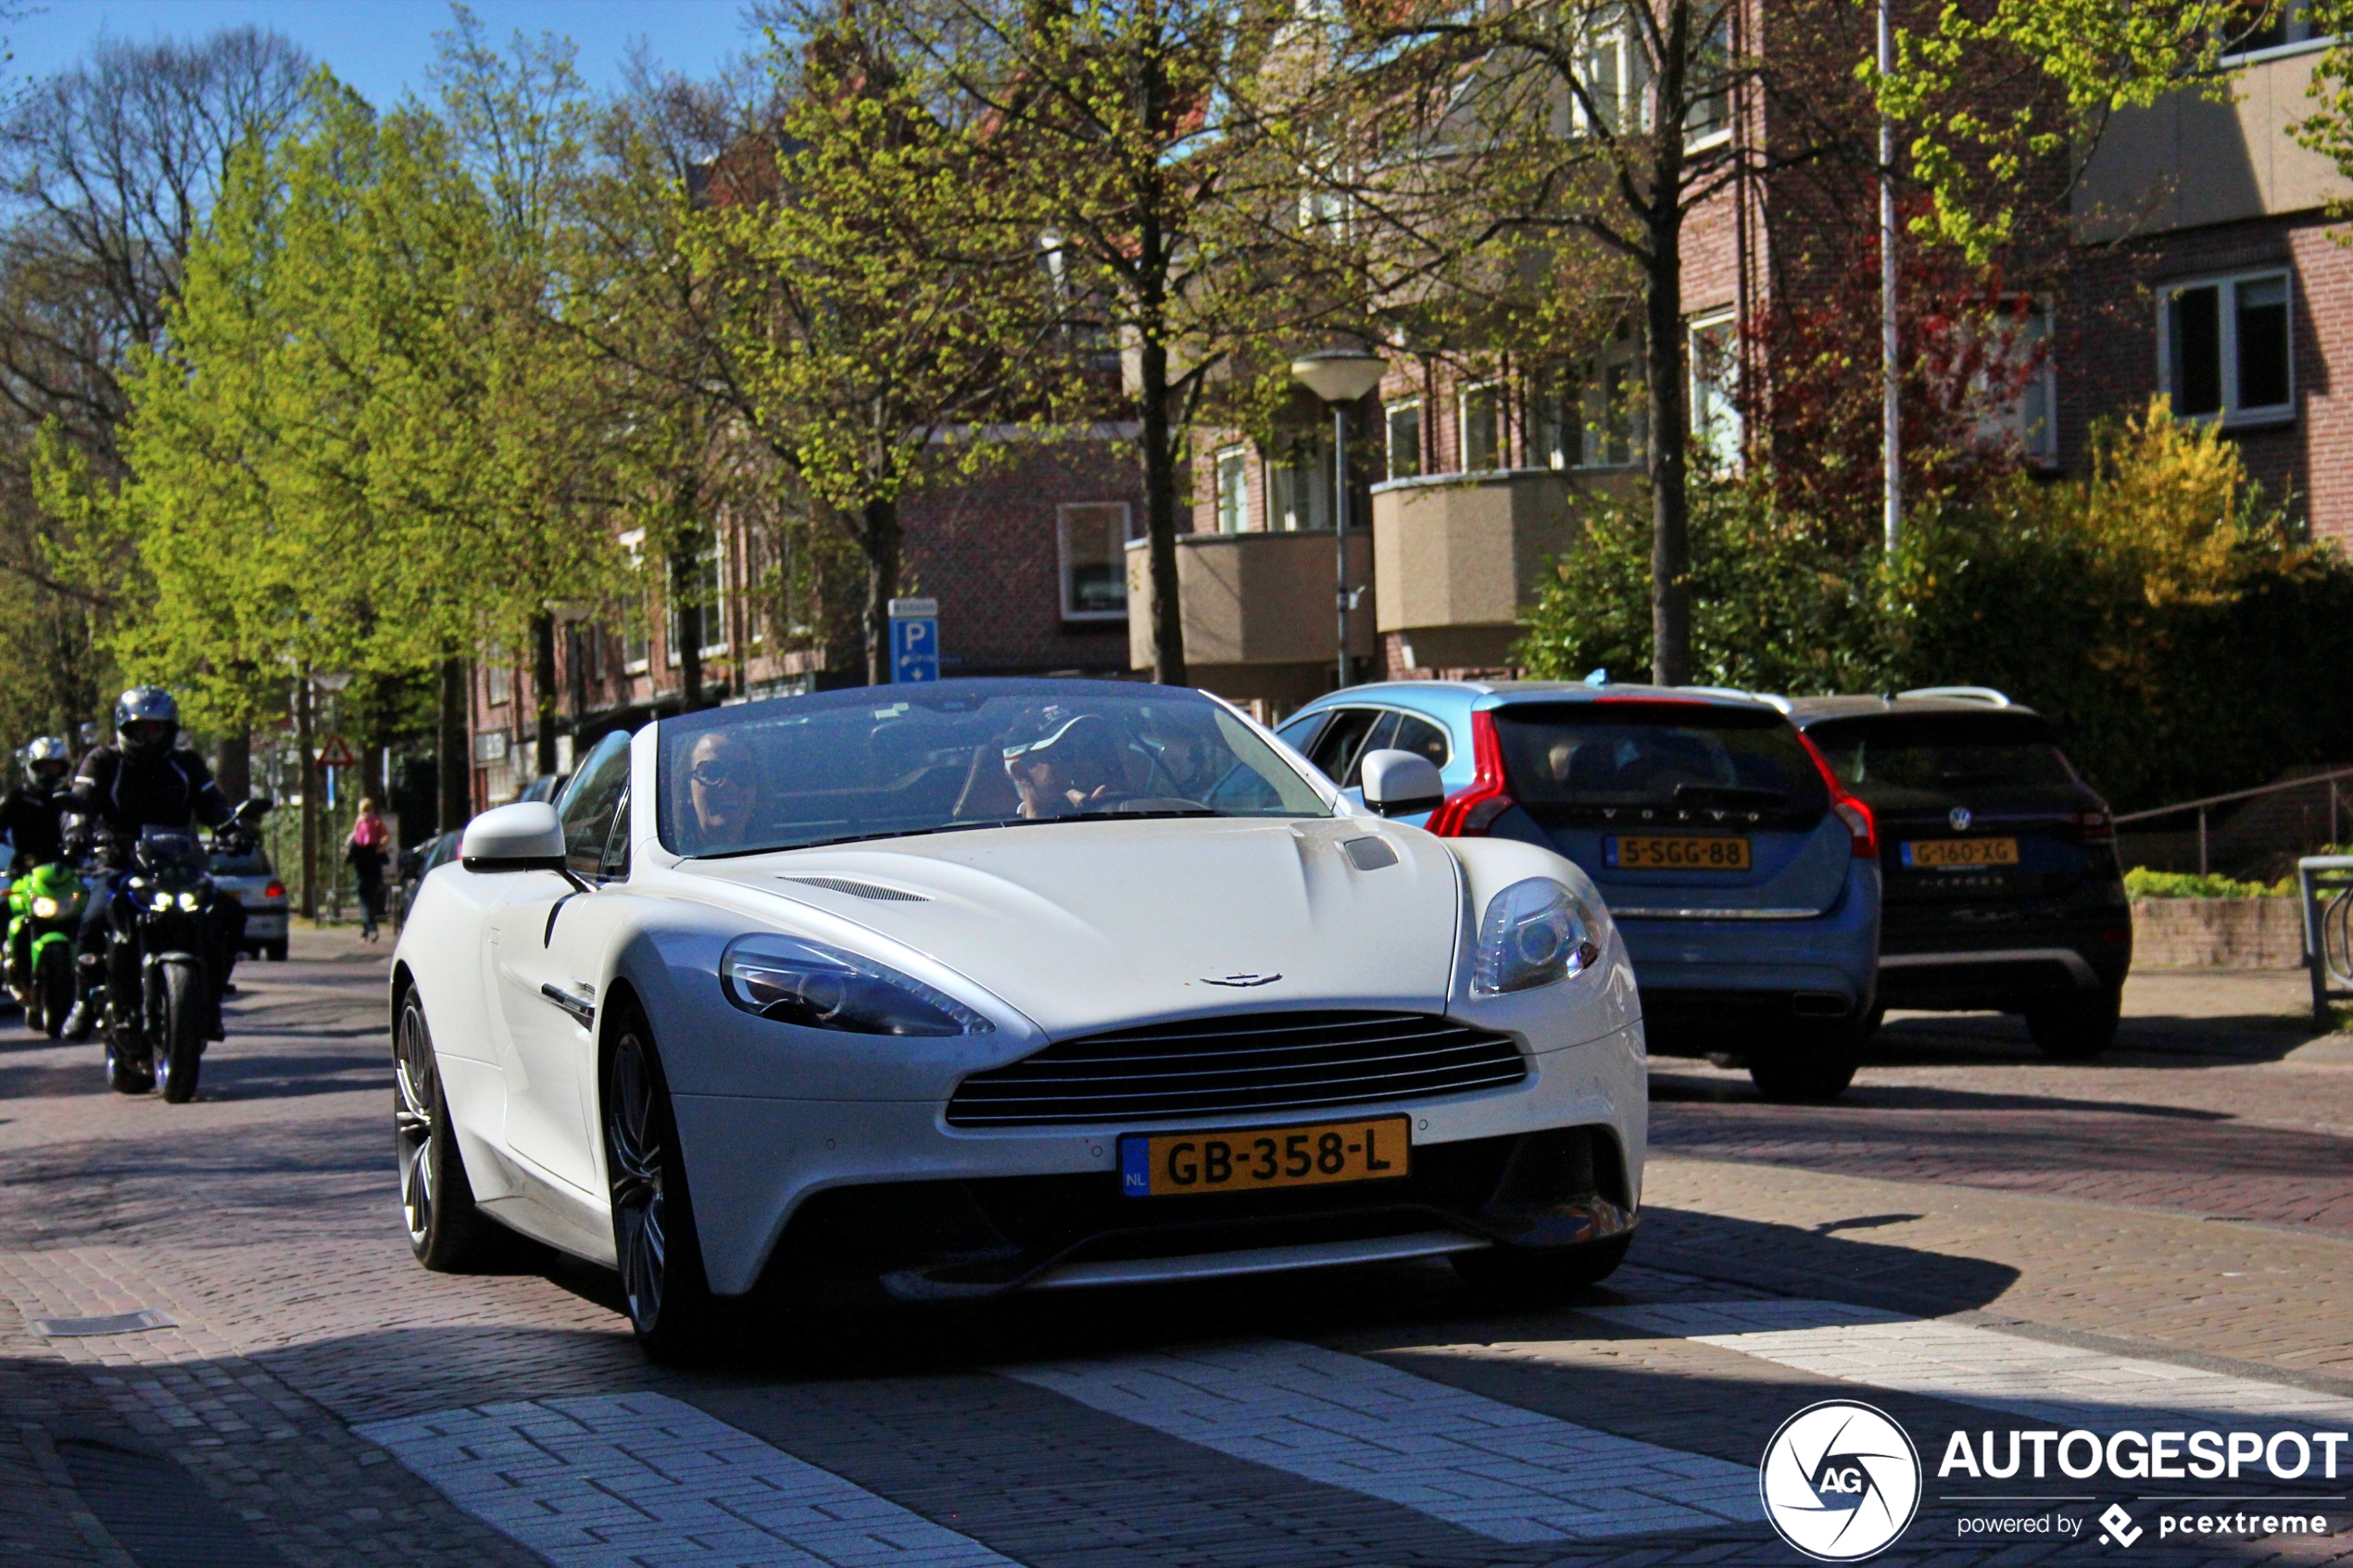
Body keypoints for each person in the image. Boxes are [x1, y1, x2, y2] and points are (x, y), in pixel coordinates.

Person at [61, 687, 244, 1042]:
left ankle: (212, 996)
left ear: (169, 730)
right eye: (140, 728)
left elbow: (214, 805)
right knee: (93, 917)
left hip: (179, 867)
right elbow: (80, 799)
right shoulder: (103, 761)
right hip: (121, 866)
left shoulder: (186, 764)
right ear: (124, 729)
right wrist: (77, 829)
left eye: (156, 729)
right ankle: (84, 1000)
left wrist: (233, 830)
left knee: (229, 915)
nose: (148, 736)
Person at [1003, 712, 1129, 819]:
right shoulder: (1002, 839)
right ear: (1022, 774)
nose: (1078, 762)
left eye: (1082, 751)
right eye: (1064, 754)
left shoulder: (1112, 812)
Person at [0, 736, 74, 872]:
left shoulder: (71, 798)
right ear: (33, 766)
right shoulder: (17, 798)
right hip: (26, 873)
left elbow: (91, 826)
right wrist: (10, 859)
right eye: (45, 767)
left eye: (54, 767)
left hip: (68, 872)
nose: (49, 772)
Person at [683, 730, 757, 850]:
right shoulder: (661, 862)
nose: (729, 785)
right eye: (711, 772)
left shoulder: (784, 856)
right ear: (687, 789)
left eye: (742, 772)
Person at [346, 799, 390, 941]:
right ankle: (366, 929)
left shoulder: (359, 821)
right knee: (370, 899)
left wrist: (348, 855)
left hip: (361, 869)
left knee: (364, 900)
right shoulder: (377, 822)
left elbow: (353, 842)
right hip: (374, 867)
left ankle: (371, 927)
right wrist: (379, 848)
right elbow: (386, 839)